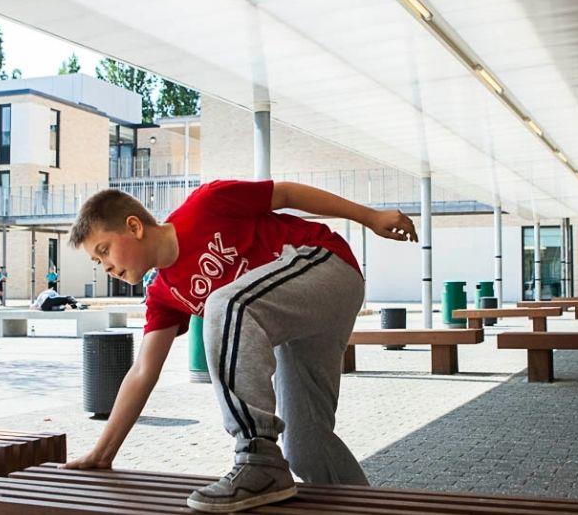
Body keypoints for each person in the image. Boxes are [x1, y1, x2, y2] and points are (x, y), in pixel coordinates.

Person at [62, 180, 417, 512]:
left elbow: (287, 194)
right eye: (97, 262)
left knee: (225, 304)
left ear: (134, 227)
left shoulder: (205, 205)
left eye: (104, 250)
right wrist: (103, 451)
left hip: (326, 265)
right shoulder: (162, 296)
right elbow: (142, 372)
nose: (105, 266)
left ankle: (256, 456)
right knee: (306, 446)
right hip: (299, 322)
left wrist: (370, 216)